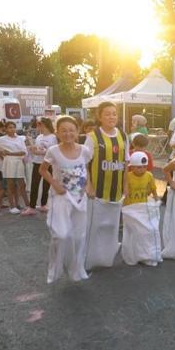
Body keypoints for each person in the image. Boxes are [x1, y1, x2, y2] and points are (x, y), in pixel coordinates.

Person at [39, 116, 91, 284]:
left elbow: (86, 169)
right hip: (61, 197)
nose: (68, 133)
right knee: (60, 235)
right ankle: (55, 270)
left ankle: (76, 270)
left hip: (80, 198)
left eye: (71, 130)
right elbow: (42, 170)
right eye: (64, 130)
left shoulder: (84, 150)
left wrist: (88, 186)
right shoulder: (53, 150)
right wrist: (55, 184)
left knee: (78, 237)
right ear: (57, 133)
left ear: (77, 132)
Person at [83, 101, 129, 270]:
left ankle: (106, 258)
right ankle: (90, 260)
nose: (111, 117)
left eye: (114, 113)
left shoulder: (123, 136)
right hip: (97, 192)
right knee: (95, 226)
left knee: (111, 227)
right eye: (107, 113)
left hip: (116, 192)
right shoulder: (92, 137)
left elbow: (125, 163)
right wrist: (89, 185)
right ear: (99, 116)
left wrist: (125, 186)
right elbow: (84, 164)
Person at [0, 121, 32, 215]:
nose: (12, 129)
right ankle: (12, 206)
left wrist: (9, 153)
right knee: (10, 185)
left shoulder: (20, 138)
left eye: (13, 127)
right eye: (10, 127)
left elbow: (24, 152)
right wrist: (0, 150)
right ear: (6, 129)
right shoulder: (2, 139)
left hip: (18, 162)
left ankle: (28, 205)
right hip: (8, 162)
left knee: (22, 184)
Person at [29, 117, 57, 213]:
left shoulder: (53, 137)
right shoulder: (39, 137)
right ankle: (31, 206)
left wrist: (38, 152)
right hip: (37, 163)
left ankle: (43, 204)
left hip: (48, 164)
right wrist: (33, 150)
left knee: (46, 185)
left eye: (38, 124)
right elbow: (37, 148)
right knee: (34, 184)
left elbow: (52, 152)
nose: (37, 126)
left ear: (44, 125)